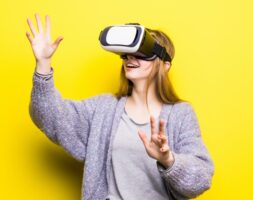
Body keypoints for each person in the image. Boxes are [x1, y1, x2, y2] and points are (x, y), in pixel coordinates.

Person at [26, 13, 214, 200]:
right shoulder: (103, 108)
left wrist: (168, 160)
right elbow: (50, 116)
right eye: (126, 54)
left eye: (141, 53)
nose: (130, 59)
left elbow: (201, 179)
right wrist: (43, 64)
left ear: (165, 65)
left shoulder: (181, 114)